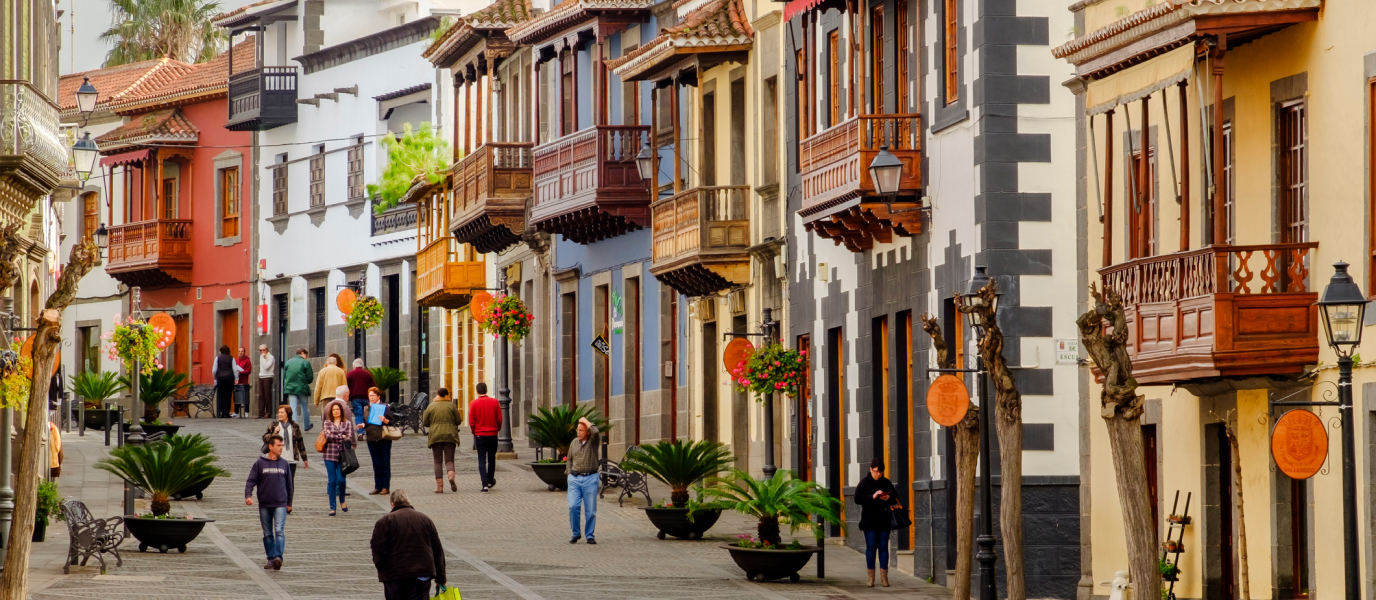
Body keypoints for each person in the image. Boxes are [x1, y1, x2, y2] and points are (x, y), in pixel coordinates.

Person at [370, 489, 446, 600]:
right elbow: (437, 550)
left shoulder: (385, 521)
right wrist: (441, 577)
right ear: (408, 501)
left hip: (395, 575)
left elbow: (378, 549)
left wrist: (382, 569)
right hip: (421, 574)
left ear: (392, 504)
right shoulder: (425, 519)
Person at [246, 434, 293, 570]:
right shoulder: (260, 463)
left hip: (280, 503)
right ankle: (270, 558)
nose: (281, 448)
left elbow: (289, 485)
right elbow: (251, 481)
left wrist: (289, 502)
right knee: (267, 534)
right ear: (270, 446)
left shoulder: (284, 464)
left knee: (279, 530)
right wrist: (248, 495)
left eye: (282, 445)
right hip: (265, 504)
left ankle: (278, 557)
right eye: (278, 445)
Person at [855, 457, 900, 587]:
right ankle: (871, 578)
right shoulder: (864, 482)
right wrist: (872, 497)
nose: (878, 474)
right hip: (869, 521)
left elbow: (895, 498)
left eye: (880, 472)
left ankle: (884, 578)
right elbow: (857, 498)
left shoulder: (886, 482)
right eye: (875, 471)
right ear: (871, 469)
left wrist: (888, 498)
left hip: (884, 520)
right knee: (871, 547)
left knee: (884, 548)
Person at [566, 416, 599, 544]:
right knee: (573, 506)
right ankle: (576, 533)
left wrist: (586, 421)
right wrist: (569, 472)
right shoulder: (574, 442)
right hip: (574, 478)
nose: (578, 432)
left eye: (582, 430)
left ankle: (590, 535)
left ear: (588, 432)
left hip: (590, 478)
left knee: (590, 510)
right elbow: (569, 459)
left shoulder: (593, 441)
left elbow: (596, 432)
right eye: (578, 430)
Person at [321, 392, 355, 516]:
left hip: (343, 455)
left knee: (341, 480)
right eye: (334, 410)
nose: (336, 411)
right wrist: (341, 435)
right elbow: (327, 436)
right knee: (332, 481)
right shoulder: (327, 423)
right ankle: (333, 507)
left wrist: (337, 435)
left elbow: (349, 438)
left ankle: (342, 500)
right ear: (331, 412)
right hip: (329, 455)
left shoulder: (347, 423)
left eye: (337, 409)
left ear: (341, 411)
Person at [422, 388, 462, 494]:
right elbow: (458, 420)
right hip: (450, 435)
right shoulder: (451, 406)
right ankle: (451, 476)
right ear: (447, 395)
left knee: (437, 460)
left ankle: (439, 487)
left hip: (435, 436)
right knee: (449, 460)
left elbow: (425, 422)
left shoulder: (431, 406)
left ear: (437, 394)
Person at [358, 386, 395, 495]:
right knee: (376, 463)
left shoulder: (384, 407)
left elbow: (393, 422)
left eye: (373, 395)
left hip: (383, 438)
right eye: (370, 396)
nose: (371, 398)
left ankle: (385, 486)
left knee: (385, 462)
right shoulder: (366, 408)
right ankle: (377, 486)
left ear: (378, 396)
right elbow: (367, 422)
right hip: (371, 438)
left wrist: (385, 420)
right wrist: (362, 425)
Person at [468, 382, 500, 492]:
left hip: (479, 434)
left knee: (481, 460)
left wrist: (474, 431)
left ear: (477, 391)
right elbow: (499, 419)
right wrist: (497, 429)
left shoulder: (473, 404)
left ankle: (484, 484)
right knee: (491, 459)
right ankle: (491, 480)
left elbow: (471, 421)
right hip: (492, 434)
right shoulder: (495, 402)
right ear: (486, 390)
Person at [263, 405, 310, 471]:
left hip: (291, 459)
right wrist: (274, 432)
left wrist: (305, 458)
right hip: (277, 459)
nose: (280, 414)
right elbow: (265, 438)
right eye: (279, 412)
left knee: (290, 481)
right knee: (278, 480)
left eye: (282, 412)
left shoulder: (294, 426)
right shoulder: (274, 425)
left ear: (288, 413)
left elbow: (300, 442)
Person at [281, 349, 314, 431]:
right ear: (302, 353)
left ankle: (294, 426)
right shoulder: (305, 362)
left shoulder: (288, 362)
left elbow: (285, 376)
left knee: (293, 407)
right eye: (306, 355)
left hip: (290, 388)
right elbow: (310, 377)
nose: (306, 357)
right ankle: (306, 425)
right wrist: (306, 381)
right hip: (302, 387)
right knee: (304, 407)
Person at [312, 356, 347, 430]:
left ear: (327, 363)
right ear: (336, 362)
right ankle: (337, 429)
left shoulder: (322, 371)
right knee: (337, 414)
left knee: (326, 416)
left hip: (325, 397)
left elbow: (318, 387)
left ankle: (326, 431)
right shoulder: (340, 371)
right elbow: (345, 386)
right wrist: (345, 399)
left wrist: (316, 400)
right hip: (338, 397)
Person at [346, 358, 376, 426]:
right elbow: (373, 387)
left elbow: (346, 386)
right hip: (366, 397)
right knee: (367, 414)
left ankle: (360, 432)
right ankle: (369, 429)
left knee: (358, 414)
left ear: (354, 366)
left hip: (355, 398)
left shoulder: (350, 374)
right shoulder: (368, 374)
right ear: (362, 366)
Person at [213, 345, 236, 418]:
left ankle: (222, 413)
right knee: (228, 396)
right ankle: (227, 413)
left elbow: (214, 370)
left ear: (221, 351)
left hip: (220, 378)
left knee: (221, 396)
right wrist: (236, 378)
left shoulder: (217, 358)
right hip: (229, 378)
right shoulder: (231, 358)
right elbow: (235, 369)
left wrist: (215, 378)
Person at [257, 345, 277, 419]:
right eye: (260, 350)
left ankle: (268, 413)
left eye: (264, 350)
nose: (262, 352)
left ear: (267, 350)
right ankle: (261, 413)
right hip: (261, 377)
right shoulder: (261, 357)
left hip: (268, 377)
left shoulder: (270, 357)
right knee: (261, 396)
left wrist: (263, 358)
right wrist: (262, 358)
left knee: (267, 396)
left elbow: (266, 367)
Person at [235, 347, 253, 418]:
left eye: (242, 351)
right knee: (236, 397)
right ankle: (236, 412)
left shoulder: (247, 360)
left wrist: (241, 372)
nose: (240, 353)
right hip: (237, 381)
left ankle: (246, 412)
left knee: (246, 397)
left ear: (244, 352)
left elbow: (249, 370)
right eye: (239, 351)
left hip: (244, 381)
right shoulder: (236, 360)